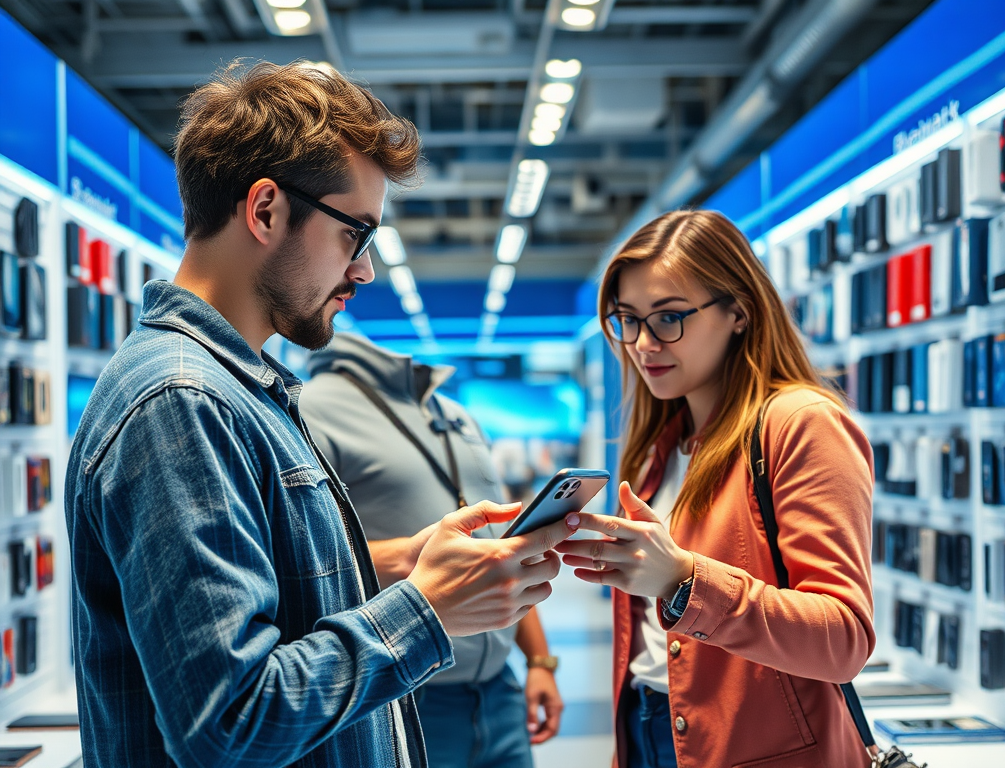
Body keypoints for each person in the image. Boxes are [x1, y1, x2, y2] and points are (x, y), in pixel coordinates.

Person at [64, 60, 577, 768]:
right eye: (353, 234)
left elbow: (268, 596)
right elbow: (232, 723)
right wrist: (427, 610)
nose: (364, 271)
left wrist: (404, 563)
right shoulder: (181, 402)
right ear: (266, 209)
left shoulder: (238, 388)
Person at [556, 209, 876, 767]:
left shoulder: (801, 422)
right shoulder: (663, 444)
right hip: (649, 727)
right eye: (628, 319)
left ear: (738, 313)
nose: (644, 344)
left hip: (757, 746)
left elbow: (842, 639)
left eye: (669, 317)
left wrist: (684, 580)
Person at [301, 332, 564, 768]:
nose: (357, 273)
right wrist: (410, 557)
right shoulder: (311, 412)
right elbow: (305, 559)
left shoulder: (455, 415)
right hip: (402, 693)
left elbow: (498, 553)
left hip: (501, 692)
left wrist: (539, 660)